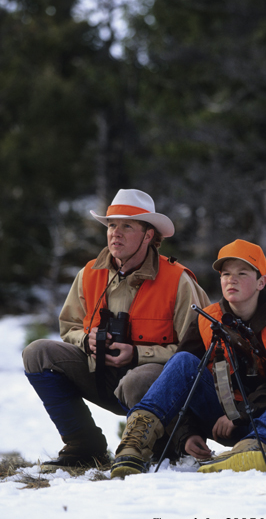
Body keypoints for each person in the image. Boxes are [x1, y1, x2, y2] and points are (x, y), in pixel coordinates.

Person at [23, 189, 210, 467]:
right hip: (103, 377)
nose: (115, 233)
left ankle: (164, 447)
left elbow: (196, 353)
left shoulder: (178, 281)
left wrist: (137, 355)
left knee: (137, 380)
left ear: (148, 235)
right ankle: (84, 447)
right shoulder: (88, 273)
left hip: (156, 390)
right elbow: (70, 326)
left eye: (126, 226)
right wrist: (87, 342)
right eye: (111, 225)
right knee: (37, 352)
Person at [110, 239, 266, 478]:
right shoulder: (207, 319)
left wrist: (242, 411)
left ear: (261, 282)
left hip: (264, 418)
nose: (232, 279)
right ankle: (133, 447)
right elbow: (179, 381)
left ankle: (252, 451)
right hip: (220, 417)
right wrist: (186, 434)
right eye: (226, 274)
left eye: (242, 273)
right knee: (183, 362)